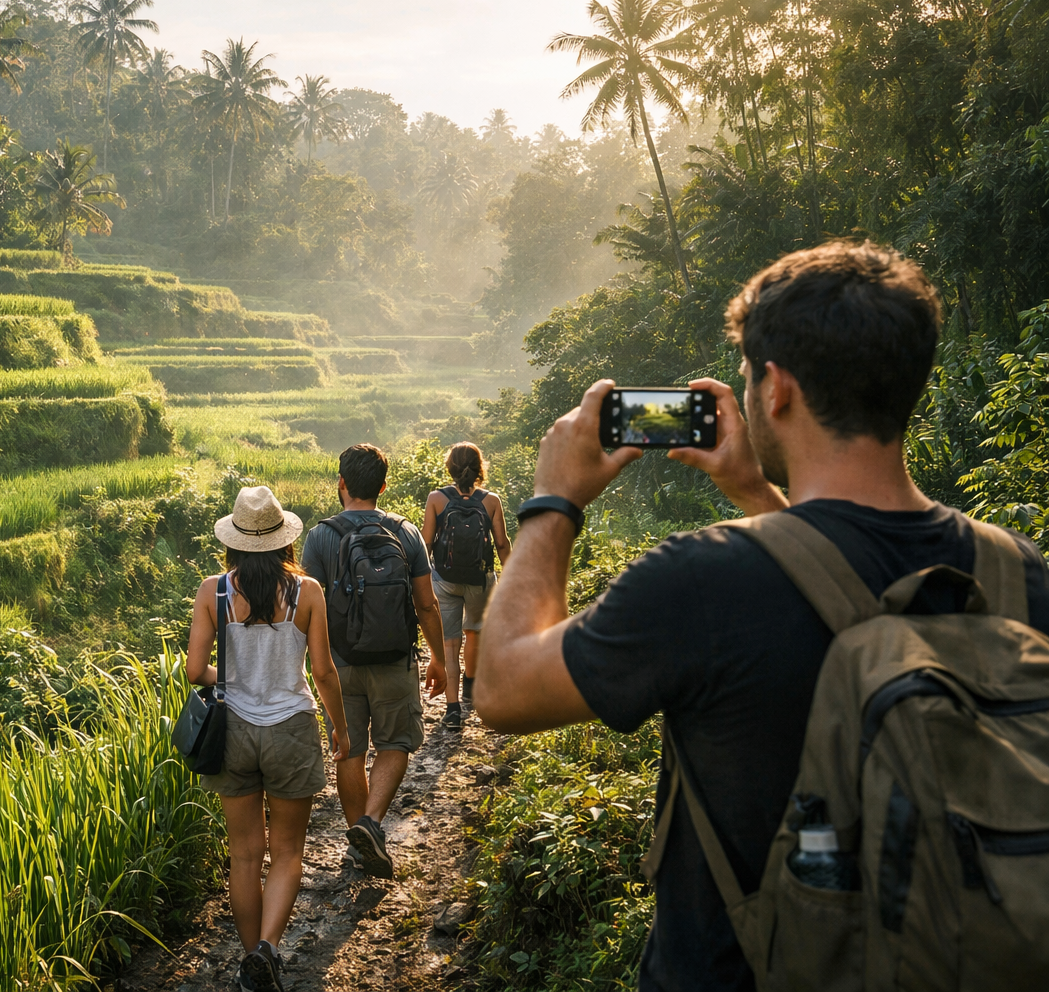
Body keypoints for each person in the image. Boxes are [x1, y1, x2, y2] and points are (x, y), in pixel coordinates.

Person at [475, 240, 1049, 991]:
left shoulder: (703, 580)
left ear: (775, 389)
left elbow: (503, 689)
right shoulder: (1017, 572)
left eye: (748, 379)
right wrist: (757, 496)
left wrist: (555, 503)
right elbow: (845, 592)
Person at [186, 485, 351, 992]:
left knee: (243, 854)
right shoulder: (308, 592)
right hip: (291, 729)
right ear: (284, 540)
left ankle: (247, 959)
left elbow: (195, 670)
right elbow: (322, 671)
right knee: (286, 852)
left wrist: (231, 677)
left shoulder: (213, 591)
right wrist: (340, 729)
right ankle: (268, 950)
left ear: (234, 541)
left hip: (232, 732)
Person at [301, 444, 447, 881]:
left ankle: (357, 838)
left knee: (349, 747)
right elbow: (426, 604)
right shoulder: (405, 532)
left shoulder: (320, 536)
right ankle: (371, 824)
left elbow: (309, 607)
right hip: (393, 658)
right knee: (396, 742)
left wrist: (312, 664)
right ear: (383, 486)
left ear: (341, 483)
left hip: (340, 660)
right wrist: (438, 658)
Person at [420, 441, 511, 729]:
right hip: (480, 580)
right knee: (474, 632)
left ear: (451, 467)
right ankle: (470, 690)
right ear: (479, 468)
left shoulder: (436, 498)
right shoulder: (491, 500)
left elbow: (426, 543)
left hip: (445, 580)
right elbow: (501, 544)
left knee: (449, 643)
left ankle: (452, 709)